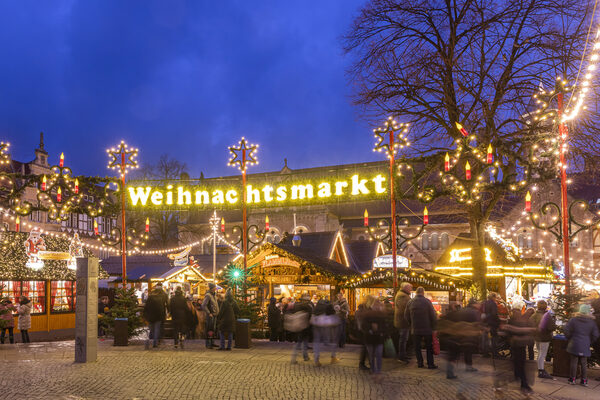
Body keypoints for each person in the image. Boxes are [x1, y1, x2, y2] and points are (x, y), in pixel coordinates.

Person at [502, 302, 535, 394]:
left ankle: (519, 378)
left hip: (516, 346)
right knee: (521, 365)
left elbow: (508, 333)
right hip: (520, 346)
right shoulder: (523, 322)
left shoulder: (512, 321)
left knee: (518, 364)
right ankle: (524, 384)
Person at [565, 304, 599, 386]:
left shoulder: (573, 320)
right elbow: (596, 334)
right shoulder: (591, 322)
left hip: (574, 343)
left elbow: (566, 330)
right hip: (585, 344)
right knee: (584, 363)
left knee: (574, 362)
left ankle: (572, 379)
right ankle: (584, 380)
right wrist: (589, 341)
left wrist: (570, 338)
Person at [405, 287, 437, 369]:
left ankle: (420, 363)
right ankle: (430, 364)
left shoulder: (410, 302)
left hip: (415, 328)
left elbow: (406, 316)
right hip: (427, 328)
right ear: (423, 292)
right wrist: (434, 327)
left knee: (417, 347)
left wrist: (411, 324)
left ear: (416, 293)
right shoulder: (427, 302)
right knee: (429, 347)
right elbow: (433, 315)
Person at [529, 300, 555, 379]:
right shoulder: (547, 316)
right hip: (545, 337)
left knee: (539, 352)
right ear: (545, 306)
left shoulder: (534, 315)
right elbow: (551, 327)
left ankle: (540, 368)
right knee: (542, 354)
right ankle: (541, 370)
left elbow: (530, 325)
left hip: (537, 337)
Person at [362, 297, 387, 377]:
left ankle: (378, 371)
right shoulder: (367, 314)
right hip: (370, 337)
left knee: (378, 354)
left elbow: (385, 326)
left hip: (379, 337)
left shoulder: (381, 314)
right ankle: (373, 369)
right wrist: (371, 327)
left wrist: (380, 330)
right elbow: (364, 326)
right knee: (371, 354)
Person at [312, 297, 340, 366]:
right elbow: (333, 314)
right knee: (330, 341)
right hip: (326, 325)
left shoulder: (317, 306)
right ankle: (333, 357)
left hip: (316, 324)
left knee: (317, 342)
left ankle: (316, 359)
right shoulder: (329, 305)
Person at [290, 294, 312, 364]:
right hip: (305, 327)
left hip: (298, 326)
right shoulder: (308, 307)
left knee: (299, 342)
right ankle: (301, 357)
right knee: (302, 342)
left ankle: (304, 356)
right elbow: (311, 316)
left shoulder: (296, 306)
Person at [394, 282, 412, 363]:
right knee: (403, 339)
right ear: (405, 288)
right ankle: (401, 356)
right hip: (403, 321)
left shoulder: (403, 294)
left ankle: (403, 355)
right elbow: (405, 308)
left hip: (403, 320)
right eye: (409, 288)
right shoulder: (402, 295)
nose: (411, 289)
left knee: (404, 339)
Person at [482, 292, 500, 357]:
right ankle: (495, 353)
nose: (496, 299)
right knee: (494, 338)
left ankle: (486, 352)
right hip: (492, 323)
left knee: (487, 338)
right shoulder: (493, 304)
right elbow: (494, 314)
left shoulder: (485, 303)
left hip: (486, 323)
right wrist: (498, 322)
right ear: (493, 297)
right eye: (495, 297)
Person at [202, 282, 220, 349]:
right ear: (212, 288)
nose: (215, 289)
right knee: (209, 329)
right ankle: (208, 344)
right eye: (215, 287)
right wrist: (209, 313)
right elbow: (203, 305)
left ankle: (212, 342)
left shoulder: (214, 295)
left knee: (213, 329)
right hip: (211, 315)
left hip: (214, 315)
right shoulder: (208, 295)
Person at [355, 300, 370, 371]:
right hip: (363, 331)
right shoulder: (363, 313)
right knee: (366, 348)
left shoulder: (358, 312)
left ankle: (363, 363)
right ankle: (363, 364)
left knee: (366, 348)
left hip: (361, 331)